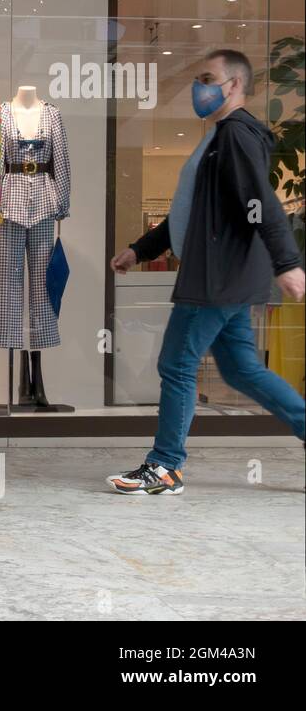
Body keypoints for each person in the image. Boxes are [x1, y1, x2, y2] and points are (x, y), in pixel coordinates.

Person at [108, 48, 305, 495]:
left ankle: (165, 466)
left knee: (176, 364)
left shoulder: (236, 135)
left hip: (218, 277)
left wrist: (287, 262)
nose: (199, 86)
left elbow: (260, 201)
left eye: (207, 77)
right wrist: (141, 249)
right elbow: (191, 213)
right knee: (240, 371)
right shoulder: (219, 137)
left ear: (233, 84)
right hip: (224, 274)